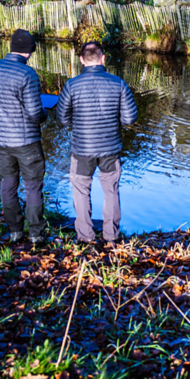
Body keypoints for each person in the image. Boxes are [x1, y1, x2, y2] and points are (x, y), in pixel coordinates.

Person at [57, 42, 138, 244]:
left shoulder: (71, 85)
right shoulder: (118, 83)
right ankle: (111, 235)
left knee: (81, 191)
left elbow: (62, 118)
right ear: (103, 58)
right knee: (111, 191)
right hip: (110, 149)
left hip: (82, 149)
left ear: (82, 60)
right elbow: (129, 119)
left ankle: (85, 237)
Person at [0, 29, 48, 244]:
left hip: (1, 142)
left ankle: (15, 231)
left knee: (8, 183)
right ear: (29, 51)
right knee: (32, 186)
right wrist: (45, 114)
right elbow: (34, 113)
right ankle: (35, 233)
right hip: (27, 143)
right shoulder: (27, 74)